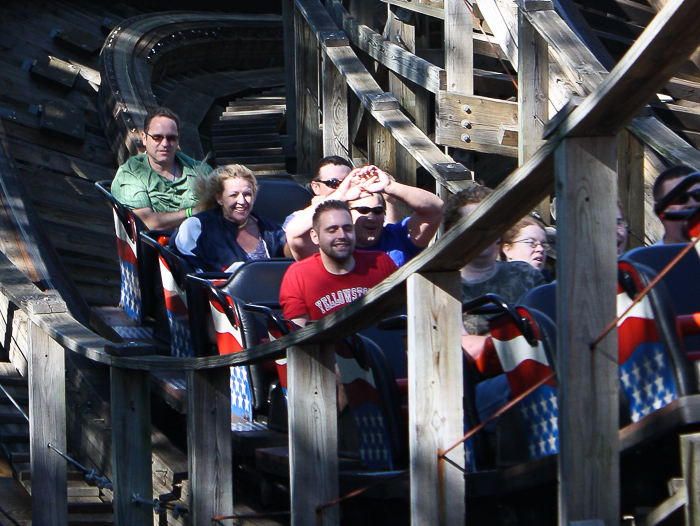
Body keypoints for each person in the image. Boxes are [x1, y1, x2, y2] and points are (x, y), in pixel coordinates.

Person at [444, 185, 546, 427]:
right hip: (474, 390)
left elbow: (550, 323)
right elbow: (464, 347)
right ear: (454, 232)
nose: (486, 231)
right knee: (528, 381)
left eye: (492, 222)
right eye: (477, 224)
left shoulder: (525, 275)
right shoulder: (443, 285)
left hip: (538, 367)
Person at [286, 164, 444, 267]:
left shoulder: (399, 237)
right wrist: (341, 195)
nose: (371, 217)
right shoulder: (332, 245)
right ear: (348, 215)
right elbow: (294, 234)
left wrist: (390, 186)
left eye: (377, 211)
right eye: (363, 210)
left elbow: (436, 208)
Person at [280, 200, 397, 326]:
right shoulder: (298, 275)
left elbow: (404, 315)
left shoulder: (381, 262)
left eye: (347, 229)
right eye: (332, 230)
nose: (342, 235)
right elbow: (298, 337)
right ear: (315, 236)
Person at [171, 164, 286, 272]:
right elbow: (189, 272)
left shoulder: (270, 230)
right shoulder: (198, 227)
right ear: (219, 198)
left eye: (247, 194)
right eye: (233, 195)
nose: (242, 201)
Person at [111, 107, 212, 230]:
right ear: (144, 138)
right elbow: (148, 223)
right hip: (159, 246)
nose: (164, 144)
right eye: (157, 137)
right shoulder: (131, 173)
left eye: (171, 138)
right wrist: (191, 212)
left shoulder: (199, 170)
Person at [652, 165, 699, 245]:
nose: (693, 204)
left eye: (698, 195)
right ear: (659, 208)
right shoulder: (650, 256)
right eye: (680, 199)